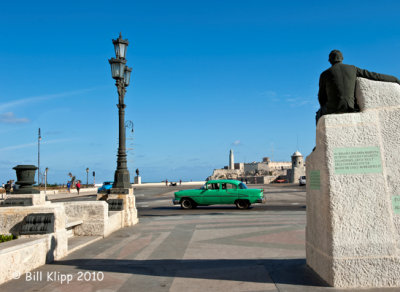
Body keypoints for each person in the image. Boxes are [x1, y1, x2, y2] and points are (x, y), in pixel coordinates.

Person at [316, 50, 400, 124]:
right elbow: (374, 76)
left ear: (330, 60)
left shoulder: (324, 74)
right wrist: (395, 79)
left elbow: (321, 97)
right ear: (342, 58)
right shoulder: (352, 68)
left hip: (332, 108)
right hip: (351, 107)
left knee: (318, 114)